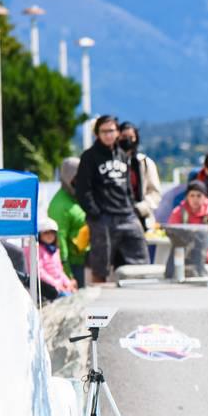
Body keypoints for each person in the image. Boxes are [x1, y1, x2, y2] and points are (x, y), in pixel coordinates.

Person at [74, 115, 149, 283]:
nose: (108, 135)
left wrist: (131, 208)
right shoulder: (89, 156)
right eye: (104, 131)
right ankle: (99, 305)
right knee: (101, 266)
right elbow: (82, 189)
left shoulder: (122, 155)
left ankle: (136, 301)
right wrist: (95, 214)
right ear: (97, 134)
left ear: (117, 132)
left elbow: (128, 187)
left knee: (140, 262)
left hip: (127, 215)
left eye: (111, 131)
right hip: (103, 218)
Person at [48, 157, 90, 287]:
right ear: (68, 177)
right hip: (72, 266)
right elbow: (59, 240)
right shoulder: (60, 205)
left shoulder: (76, 196)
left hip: (84, 260)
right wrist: (67, 274)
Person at [166, 180, 208, 276]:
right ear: (187, 197)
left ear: (205, 197)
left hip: (206, 258)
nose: (195, 199)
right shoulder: (178, 212)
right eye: (192, 195)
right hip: (182, 259)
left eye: (199, 195)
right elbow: (172, 233)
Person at [118, 122, 162, 231]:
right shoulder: (110, 162)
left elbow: (155, 192)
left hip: (141, 219)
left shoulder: (145, 163)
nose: (127, 140)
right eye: (124, 137)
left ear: (136, 138)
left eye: (131, 137)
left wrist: (140, 208)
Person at [36, 217, 76, 300]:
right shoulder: (36, 249)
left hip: (59, 285)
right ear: (39, 235)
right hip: (47, 287)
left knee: (75, 295)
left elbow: (60, 270)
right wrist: (56, 284)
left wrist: (68, 283)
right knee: (66, 298)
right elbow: (39, 272)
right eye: (46, 233)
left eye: (52, 233)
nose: (50, 235)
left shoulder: (55, 250)